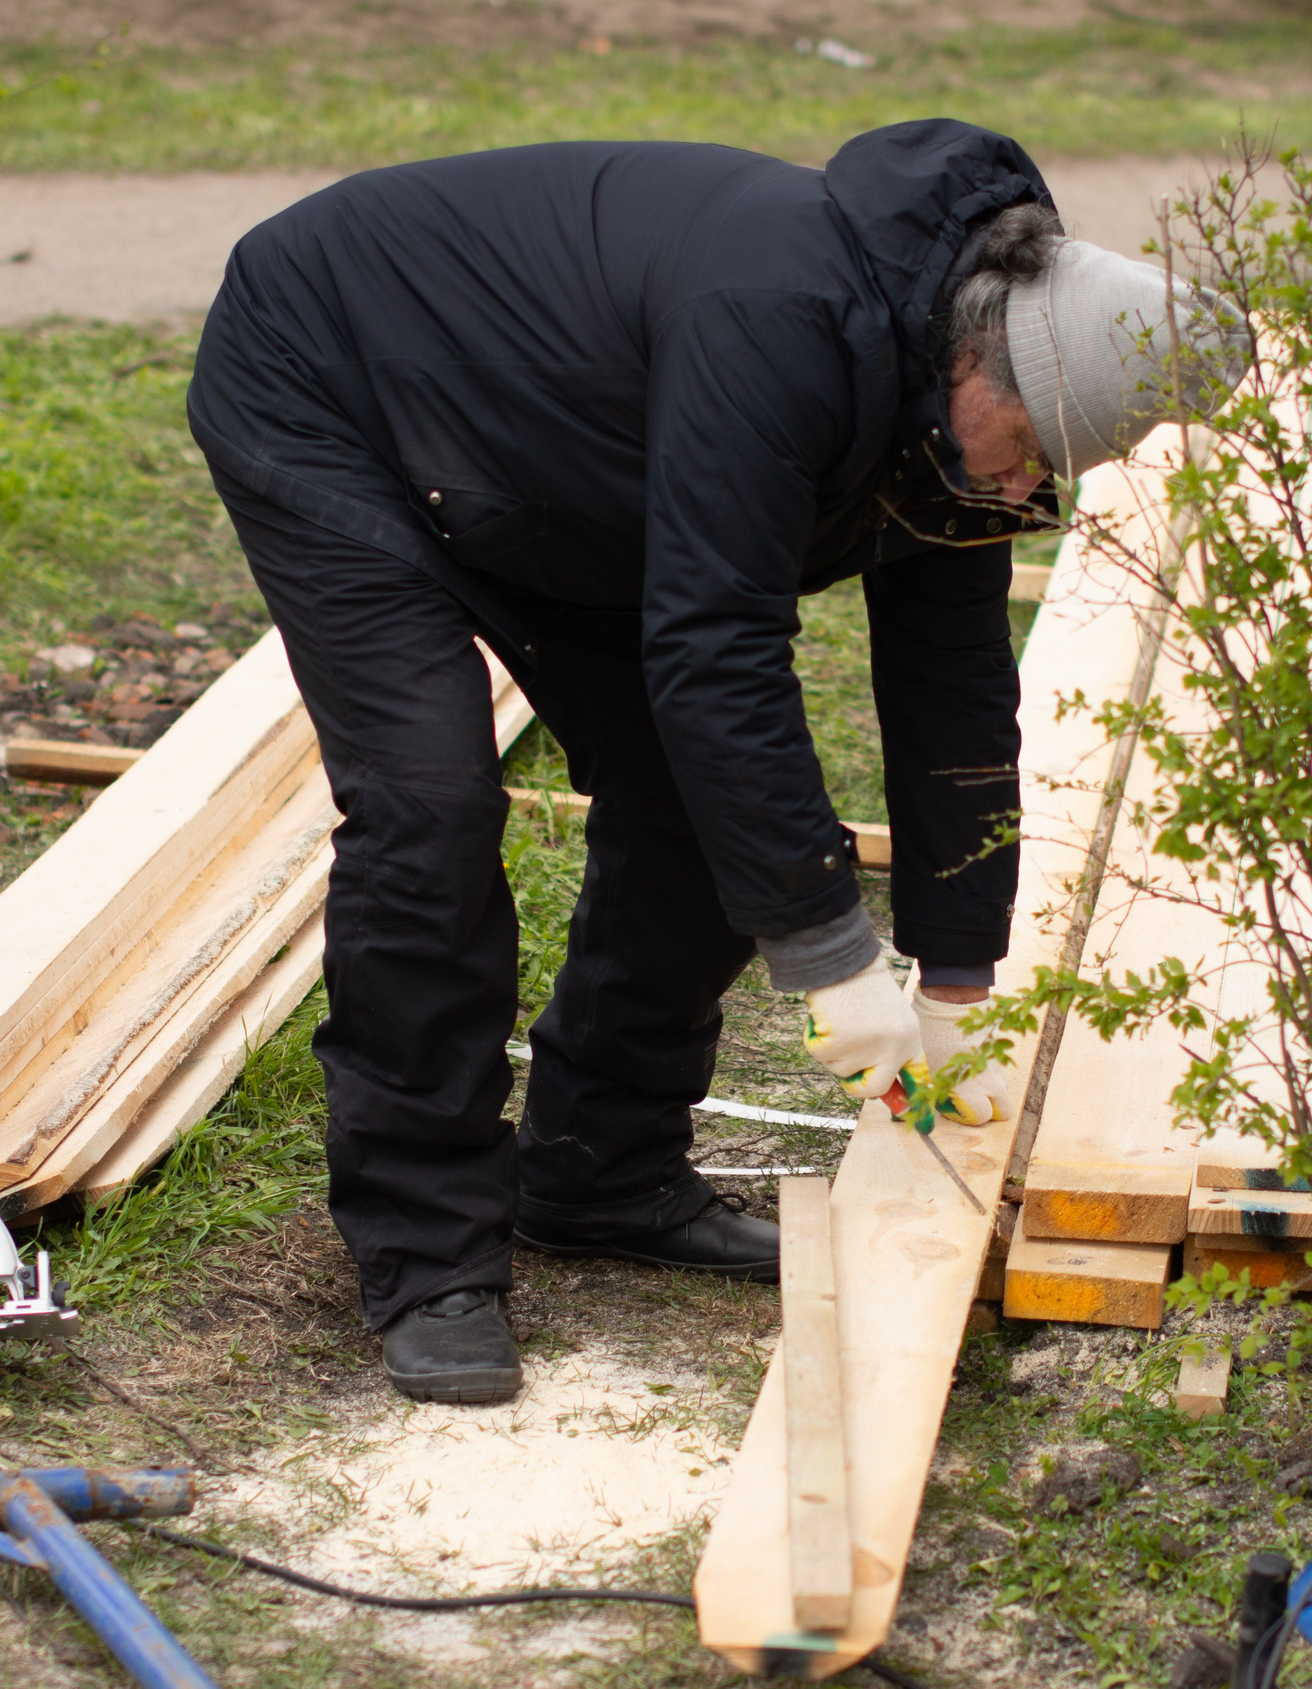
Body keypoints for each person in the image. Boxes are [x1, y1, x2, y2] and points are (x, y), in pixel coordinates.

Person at [186, 119, 1249, 1404]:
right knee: (431, 806)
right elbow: (715, 646)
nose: (1027, 485)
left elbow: (956, 699)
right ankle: (426, 1259)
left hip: (568, 460)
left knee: (700, 804)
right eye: (1026, 445)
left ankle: (598, 1172)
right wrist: (830, 952)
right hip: (333, 378)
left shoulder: (957, 439)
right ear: (979, 358)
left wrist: (958, 982)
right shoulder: (780, 325)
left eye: (1049, 472)